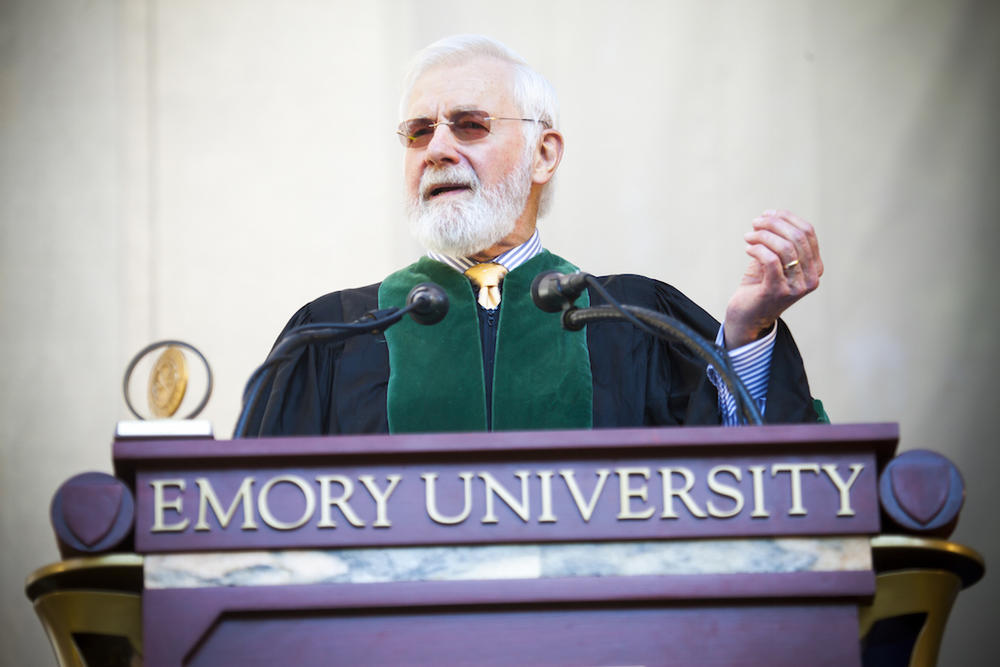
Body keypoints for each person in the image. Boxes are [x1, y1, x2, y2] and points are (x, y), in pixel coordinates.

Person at [242, 34, 823, 437]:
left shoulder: (634, 320)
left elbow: (749, 487)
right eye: (419, 133)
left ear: (544, 154)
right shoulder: (331, 336)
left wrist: (747, 334)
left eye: (470, 125)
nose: (438, 148)